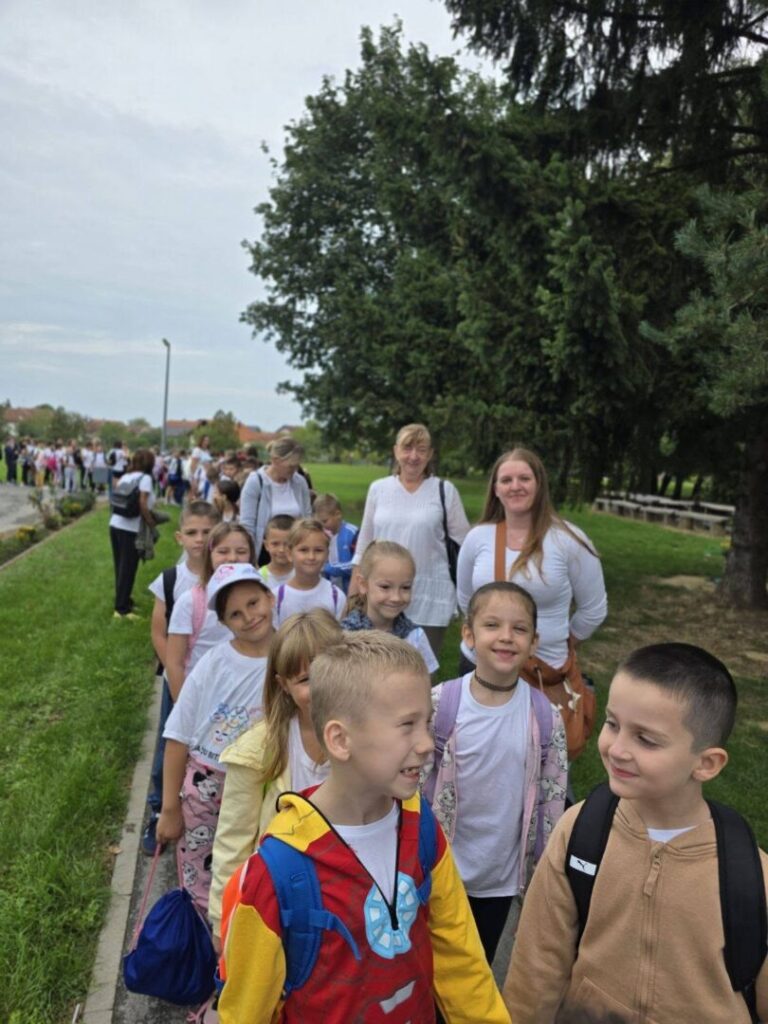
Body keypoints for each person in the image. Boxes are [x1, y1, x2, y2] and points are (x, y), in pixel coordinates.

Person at [217, 632, 511, 1023]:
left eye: (427, 722)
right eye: (406, 725)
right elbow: (245, 1011)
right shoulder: (276, 873)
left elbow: (462, 960)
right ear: (340, 739)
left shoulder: (420, 827)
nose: (427, 743)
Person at [502, 642, 768, 1024]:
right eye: (612, 724)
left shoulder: (752, 878)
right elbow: (537, 965)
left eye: (646, 739)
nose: (617, 749)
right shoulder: (581, 832)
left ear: (707, 764)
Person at [423, 581, 566, 963]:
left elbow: (552, 804)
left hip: (499, 881)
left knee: (477, 968)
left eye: (519, 629)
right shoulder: (440, 704)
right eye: (492, 625)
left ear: (533, 642)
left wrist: (541, 881)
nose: (506, 637)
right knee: (430, 967)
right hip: (439, 873)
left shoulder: (545, 718)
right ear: (469, 635)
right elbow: (412, 786)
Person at [456, 447, 607, 761]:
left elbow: (593, 609)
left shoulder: (568, 540)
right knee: (477, 757)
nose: (515, 486)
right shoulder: (478, 538)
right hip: (480, 666)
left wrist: (558, 642)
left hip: (544, 671)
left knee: (544, 761)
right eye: (506, 480)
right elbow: (466, 599)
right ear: (495, 489)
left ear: (539, 484)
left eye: (524, 478)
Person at [208, 608, 343, 942]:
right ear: (284, 685)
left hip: (350, 897)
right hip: (284, 904)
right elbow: (233, 840)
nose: (322, 688)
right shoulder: (259, 750)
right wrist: (223, 921)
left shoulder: (370, 738)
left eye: (329, 672)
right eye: (306, 680)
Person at [156, 563, 275, 916]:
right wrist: (169, 808)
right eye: (235, 614)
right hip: (208, 786)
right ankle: (208, 941)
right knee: (201, 882)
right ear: (223, 622)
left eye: (253, 603)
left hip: (266, 784)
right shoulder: (213, 663)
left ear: (269, 597)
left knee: (257, 874)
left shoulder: (291, 655)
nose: (249, 617)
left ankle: (245, 940)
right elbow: (177, 735)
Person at [143, 500, 221, 855]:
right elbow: (158, 633)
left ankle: (207, 807)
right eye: (192, 532)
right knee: (170, 748)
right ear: (179, 537)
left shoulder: (227, 576)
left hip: (219, 686)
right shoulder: (171, 580)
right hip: (180, 682)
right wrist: (178, 684)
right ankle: (160, 810)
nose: (199, 539)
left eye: (207, 532)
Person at [351, 423, 470, 658]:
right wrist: (353, 598)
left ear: (430, 454)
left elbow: (466, 547)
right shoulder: (378, 489)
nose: (413, 456)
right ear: (396, 451)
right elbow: (364, 546)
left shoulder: (444, 491)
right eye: (407, 448)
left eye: (421, 450)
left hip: (429, 598)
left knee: (420, 669)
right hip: (382, 595)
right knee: (376, 664)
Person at [164, 522, 256, 701]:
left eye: (241, 551)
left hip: (246, 697)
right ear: (209, 555)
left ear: (251, 555)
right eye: (222, 551)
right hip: (201, 698)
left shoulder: (262, 599)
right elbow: (174, 663)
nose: (232, 558)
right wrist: (183, 708)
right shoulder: (189, 602)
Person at [342, 540, 438, 674]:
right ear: (363, 584)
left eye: (405, 587)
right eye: (385, 587)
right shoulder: (344, 637)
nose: (396, 597)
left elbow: (427, 680)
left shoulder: (415, 637)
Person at [240, 436, 312, 560]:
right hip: (265, 553)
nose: (294, 470)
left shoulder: (300, 482)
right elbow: (247, 525)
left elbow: (307, 517)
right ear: (275, 460)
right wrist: (250, 558)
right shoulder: (255, 482)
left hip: (294, 551)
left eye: (296, 466)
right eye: (290, 466)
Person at [108, 448, 156, 619]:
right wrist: (151, 522)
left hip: (115, 524)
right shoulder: (145, 478)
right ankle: (121, 610)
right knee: (128, 568)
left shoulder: (126, 476)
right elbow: (143, 503)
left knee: (120, 567)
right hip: (130, 528)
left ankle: (125, 600)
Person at [274, 518, 344, 625]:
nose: (311, 557)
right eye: (304, 550)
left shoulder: (336, 597)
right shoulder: (277, 598)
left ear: (327, 554)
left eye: (318, 550)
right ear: (289, 554)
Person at [314, 492, 359, 593]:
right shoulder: (322, 535)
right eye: (319, 522)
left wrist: (329, 568)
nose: (322, 526)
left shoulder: (352, 533)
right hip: (330, 592)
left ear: (338, 515)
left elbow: (358, 565)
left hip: (350, 591)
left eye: (325, 521)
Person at [259, 514, 294, 589]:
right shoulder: (259, 577)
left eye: (287, 544)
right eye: (275, 544)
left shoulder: (303, 574)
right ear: (266, 545)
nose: (281, 550)